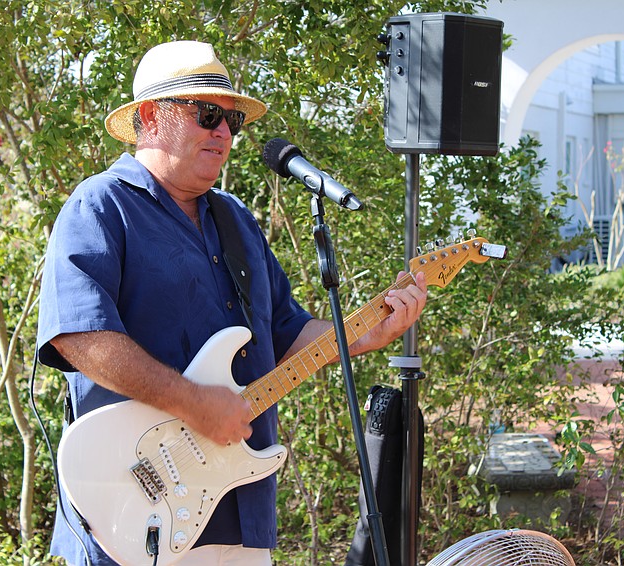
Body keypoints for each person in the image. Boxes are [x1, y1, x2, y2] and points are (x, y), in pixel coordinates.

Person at [36, 40, 428, 566]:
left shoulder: (238, 221)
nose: (223, 131)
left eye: (232, 120)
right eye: (207, 114)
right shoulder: (101, 204)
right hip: (133, 517)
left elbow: (287, 335)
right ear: (149, 117)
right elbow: (79, 337)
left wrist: (364, 333)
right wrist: (192, 402)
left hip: (241, 516)